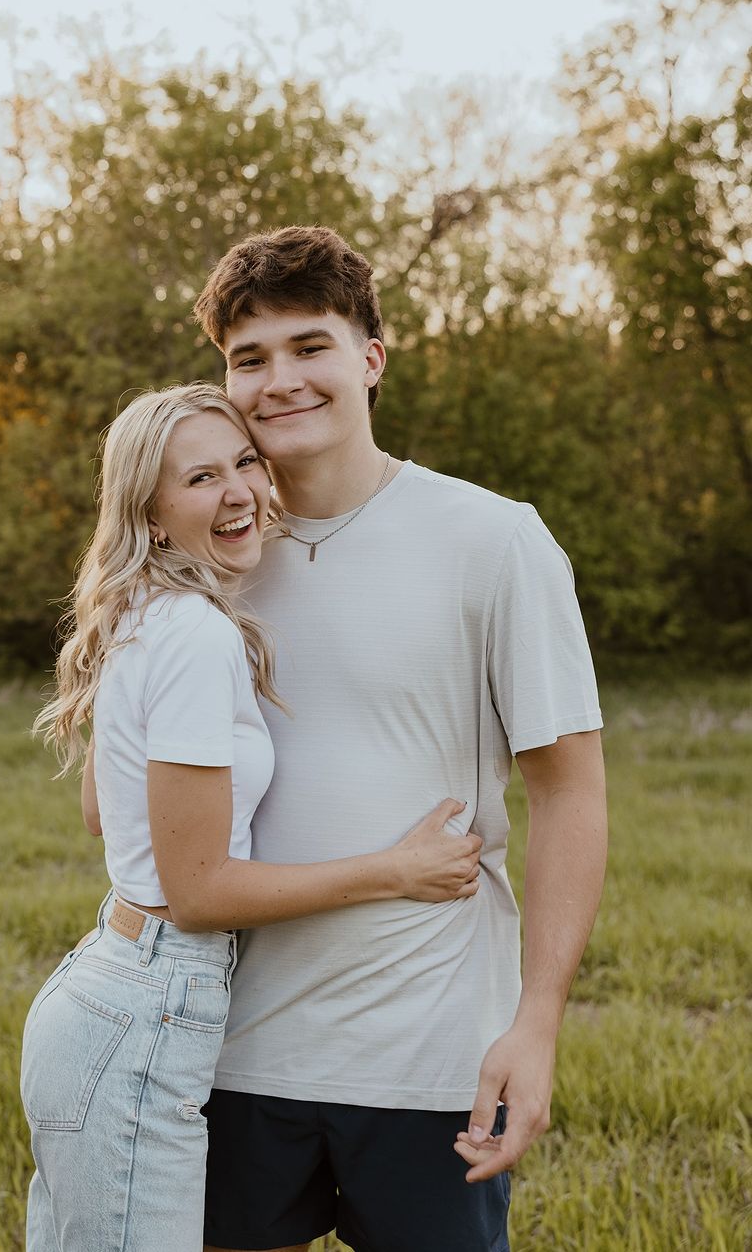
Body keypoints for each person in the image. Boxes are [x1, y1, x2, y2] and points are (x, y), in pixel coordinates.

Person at [192, 226, 608, 1252]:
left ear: (371, 358)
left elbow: (569, 791)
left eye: (310, 347)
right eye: (250, 359)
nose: (279, 381)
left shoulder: (493, 540)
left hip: (429, 1059)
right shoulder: (211, 556)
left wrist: (537, 1023)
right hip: (228, 1051)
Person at [20, 382, 483, 1252]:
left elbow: (101, 811)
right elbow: (198, 895)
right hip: (151, 1001)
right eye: (201, 478)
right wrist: (395, 870)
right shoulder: (195, 635)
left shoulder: (143, 614)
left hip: (111, 987)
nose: (238, 492)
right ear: (152, 516)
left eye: (244, 463)